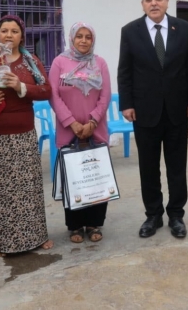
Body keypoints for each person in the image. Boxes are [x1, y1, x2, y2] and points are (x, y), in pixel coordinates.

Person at [117, 0, 188, 239]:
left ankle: (176, 215)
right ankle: (153, 215)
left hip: (177, 110)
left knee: (177, 166)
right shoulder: (130, 31)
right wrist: (127, 103)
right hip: (144, 112)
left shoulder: (184, 29)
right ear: (142, 4)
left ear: (166, 1)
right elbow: (125, 71)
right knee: (148, 166)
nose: (153, 3)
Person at [0, 15, 54, 257]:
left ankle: (34, 237)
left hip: (22, 136)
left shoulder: (30, 62)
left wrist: (20, 86)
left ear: (21, 36)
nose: (8, 35)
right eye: (4, 30)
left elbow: (46, 90)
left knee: (26, 189)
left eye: (14, 31)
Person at [49, 22, 111, 244]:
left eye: (88, 37)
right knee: (74, 178)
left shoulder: (100, 63)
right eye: (79, 37)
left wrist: (93, 121)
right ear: (72, 39)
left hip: (95, 129)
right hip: (69, 130)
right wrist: (71, 123)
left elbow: (105, 95)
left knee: (95, 177)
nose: (84, 41)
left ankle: (94, 223)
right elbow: (53, 95)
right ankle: (75, 225)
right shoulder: (59, 62)